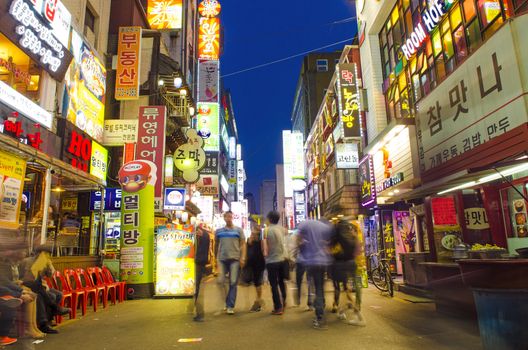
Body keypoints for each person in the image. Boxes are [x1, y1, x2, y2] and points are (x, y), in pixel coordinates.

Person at [0, 239, 44, 340]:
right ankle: (6, 335)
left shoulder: (13, 263)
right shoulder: (6, 263)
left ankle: (32, 327)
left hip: (10, 287)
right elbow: (5, 282)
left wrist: (20, 291)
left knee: (33, 293)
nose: (24, 253)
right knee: (11, 303)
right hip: (8, 289)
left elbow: (6, 281)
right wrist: (20, 293)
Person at [297, 219, 334, 329]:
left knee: (314, 288)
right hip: (323, 262)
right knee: (320, 288)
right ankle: (321, 309)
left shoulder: (306, 224)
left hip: (311, 261)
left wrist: (303, 250)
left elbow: (299, 239)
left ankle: (320, 317)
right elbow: (329, 244)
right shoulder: (326, 227)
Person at [330, 218, 364, 325]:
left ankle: (357, 313)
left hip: (350, 264)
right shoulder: (355, 234)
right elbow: (359, 248)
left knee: (346, 288)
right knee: (355, 288)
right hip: (359, 265)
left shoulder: (343, 235)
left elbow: (335, 249)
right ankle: (348, 309)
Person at [215, 211, 246, 315]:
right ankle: (226, 301)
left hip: (235, 259)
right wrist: (215, 257)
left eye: (230, 216)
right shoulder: (218, 231)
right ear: (224, 218)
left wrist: (242, 257)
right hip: (222, 259)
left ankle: (230, 306)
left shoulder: (238, 230)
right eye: (226, 216)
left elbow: (243, 244)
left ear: (233, 217)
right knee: (220, 281)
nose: (228, 218)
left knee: (233, 282)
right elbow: (216, 245)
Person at [262, 211, 288, 315]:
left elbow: (264, 247)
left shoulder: (266, 231)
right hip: (282, 259)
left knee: (274, 284)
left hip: (272, 261)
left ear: (269, 219)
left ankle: (278, 307)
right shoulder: (282, 229)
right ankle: (284, 301)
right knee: (281, 282)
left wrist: (265, 255)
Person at [287, 229, 314, 310]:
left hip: (304, 262)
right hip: (302, 262)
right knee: (302, 281)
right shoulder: (298, 238)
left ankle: (308, 302)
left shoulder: (304, 238)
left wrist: (292, 259)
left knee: (305, 282)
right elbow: (293, 250)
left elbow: (292, 250)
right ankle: (301, 300)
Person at [246, 221, 266, 312]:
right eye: (253, 231)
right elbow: (247, 249)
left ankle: (258, 302)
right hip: (251, 264)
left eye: (256, 232)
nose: (253, 233)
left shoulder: (261, 241)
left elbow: (263, 251)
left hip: (259, 263)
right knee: (255, 283)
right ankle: (258, 301)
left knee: (258, 283)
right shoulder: (249, 240)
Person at [193, 224, 210, 322]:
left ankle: (199, 313)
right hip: (201, 261)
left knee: (198, 287)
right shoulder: (205, 235)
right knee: (198, 286)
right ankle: (198, 311)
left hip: (198, 262)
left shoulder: (202, 235)